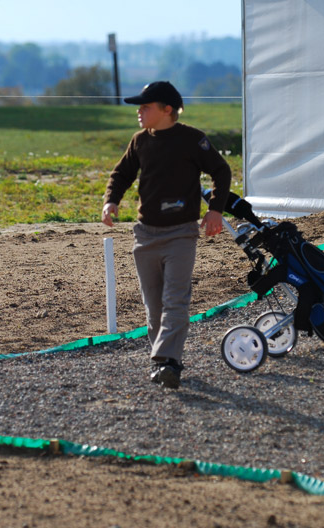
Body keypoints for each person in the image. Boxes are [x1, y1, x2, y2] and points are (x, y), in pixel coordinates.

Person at [101, 81, 231, 389]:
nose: (139, 112)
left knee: (175, 300)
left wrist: (215, 210)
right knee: (155, 307)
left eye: (145, 107)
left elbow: (221, 171)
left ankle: (167, 362)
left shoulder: (191, 139)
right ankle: (162, 360)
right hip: (145, 236)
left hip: (181, 235)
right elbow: (121, 174)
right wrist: (111, 200)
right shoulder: (139, 141)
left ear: (167, 109)